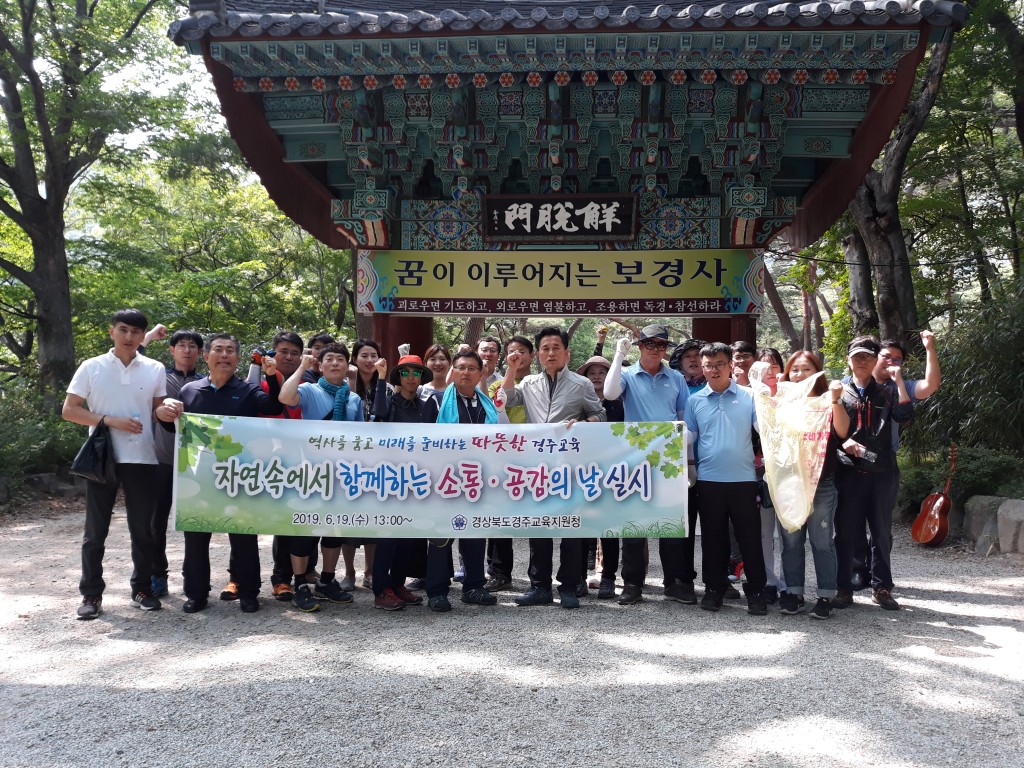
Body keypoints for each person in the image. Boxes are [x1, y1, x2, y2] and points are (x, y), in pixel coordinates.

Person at [62, 309, 173, 619]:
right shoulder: (92, 367)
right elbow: (70, 410)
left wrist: (168, 409)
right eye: (123, 330)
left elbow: (156, 411)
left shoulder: (154, 368)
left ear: (143, 335)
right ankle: (91, 595)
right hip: (102, 457)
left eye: (136, 332)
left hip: (143, 457)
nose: (129, 337)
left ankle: (141, 589)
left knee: (144, 530)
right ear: (112, 331)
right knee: (95, 532)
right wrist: (110, 421)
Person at [164, 333, 284, 613]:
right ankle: (196, 593)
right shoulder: (190, 391)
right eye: (218, 349)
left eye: (231, 350)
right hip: (198, 475)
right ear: (206, 356)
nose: (225, 354)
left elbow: (275, 406)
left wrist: (272, 375)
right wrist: (165, 413)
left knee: (243, 535)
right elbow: (176, 430)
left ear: (238, 359)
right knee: (196, 536)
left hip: (237, 474)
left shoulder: (248, 391)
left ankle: (250, 592)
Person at [502, 327, 606, 609]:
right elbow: (506, 399)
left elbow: (600, 412)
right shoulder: (528, 383)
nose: (550, 353)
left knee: (572, 528)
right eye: (545, 348)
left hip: (569, 467)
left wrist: (586, 424)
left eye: (556, 348)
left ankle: (570, 586)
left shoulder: (581, 384)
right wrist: (511, 370)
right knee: (540, 528)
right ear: (537, 354)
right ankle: (540, 587)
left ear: (566, 352)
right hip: (537, 467)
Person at [603, 324, 692, 606]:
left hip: (667, 458)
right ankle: (632, 583)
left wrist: (686, 454)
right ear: (640, 346)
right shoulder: (628, 374)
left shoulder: (676, 377)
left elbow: (684, 417)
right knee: (634, 524)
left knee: (670, 523)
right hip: (635, 456)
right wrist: (618, 356)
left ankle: (674, 583)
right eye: (650, 344)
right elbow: (609, 393)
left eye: (662, 345)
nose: (656, 350)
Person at [277, 342, 364, 611]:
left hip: (341, 473)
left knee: (334, 530)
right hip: (311, 471)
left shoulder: (354, 398)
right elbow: (284, 398)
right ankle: (300, 582)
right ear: (320, 364)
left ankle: (327, 579)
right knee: (305, 528)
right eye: (330, 359)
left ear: (347, 365)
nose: (335, 363)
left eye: (340, 359)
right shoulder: (308, 390)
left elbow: (361, 437)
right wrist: (302, 366)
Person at [683, 342, 767, 616]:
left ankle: (756, 592)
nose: (714, 369)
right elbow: (690, 438)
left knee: (750, 539)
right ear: (702, 368)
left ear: (731, 364)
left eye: (720, 363)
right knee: (712, 539)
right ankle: (714, 589)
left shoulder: (749, 396)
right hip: (709, 481)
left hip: (743, 480)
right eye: (708, 365)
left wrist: (765, 394)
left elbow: (762, 429)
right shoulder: (695, 400)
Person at [832, 336, 913, 611]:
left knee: (881, 533)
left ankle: (881, 587)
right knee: (845, 532)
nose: (862, 361)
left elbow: (904, 416)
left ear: (876, 359)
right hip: (849, 472)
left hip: (883, 471)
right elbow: (826, 433)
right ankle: (843, 587)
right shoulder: (837, 392)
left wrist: (899, 382)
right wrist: (844, 443)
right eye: (857, 356)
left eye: (868, 356)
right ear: (848, 360)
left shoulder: (887, 391)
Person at [774, 351, 850, 619]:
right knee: (791, 541)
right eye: (794, 370)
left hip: (822, 483)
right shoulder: (780, 403)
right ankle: (793, 593)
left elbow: (842, 432)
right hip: (789, 482)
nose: (800, 375)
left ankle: (826, 595)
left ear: (817, 372)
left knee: (821, 541)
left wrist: (836, 400)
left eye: (806, 369)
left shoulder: (827, 401)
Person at [425, 351, 499, 613]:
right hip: (443, 478)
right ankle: (436, 590)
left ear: (481, 374)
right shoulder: (434, 401)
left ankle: (474, 587)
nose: (466, 372)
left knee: (475, 533)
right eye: (460, 368)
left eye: (471, 368)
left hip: (476, 479)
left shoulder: (487, 405)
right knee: (440, 536)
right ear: (452, 372)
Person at [368, 354, 439, 610]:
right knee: (387, 537)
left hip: (417, 479)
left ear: (422, 377)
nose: (411, 377)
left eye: (416, 372)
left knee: (409, 537)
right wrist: (382, 377)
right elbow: (378, 414)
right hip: (390, 478)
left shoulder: (428, 405)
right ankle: (381, 590)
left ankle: (398, 585)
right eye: (406, 372)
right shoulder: (390, 402)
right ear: (399, 377)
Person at [146, 328, 204, 599]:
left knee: (195, 523)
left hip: (196, 464)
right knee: (155, 521)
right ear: (172, 349)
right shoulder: (159, 378)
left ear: (200, 352)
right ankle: (157, 573)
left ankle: (193, 578)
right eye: (181, 345)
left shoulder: (206, 382)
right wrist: (148, 337)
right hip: (163, 459)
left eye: (193, 346)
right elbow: (134, 361)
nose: (187, 350)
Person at [482, 336, 535, 592]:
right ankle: (499, 572)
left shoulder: (539, 384)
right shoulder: (499, 386)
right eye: (511, 351)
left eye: (522, 351)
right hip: (504, 455)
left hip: (536, 456)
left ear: (532, 356)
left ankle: (540, 578)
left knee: (538, 516)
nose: (517, 355)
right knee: (499, 514)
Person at [575, 354, 623, 599]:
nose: (596, 376)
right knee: (582, 526)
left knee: (609, 528)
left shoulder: (619, 402)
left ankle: (609, 578)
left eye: (601, 372)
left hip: (612, 471)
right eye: (591, 372)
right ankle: (580, 577)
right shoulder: (578, 400)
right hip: (581, 471)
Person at [346, 338, 385, 589]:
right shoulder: (344, 386)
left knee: (373, 518)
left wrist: (382, 380)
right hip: (348, 459)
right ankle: (349, 573)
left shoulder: (387, 386)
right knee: (348, 520)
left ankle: (370, 571)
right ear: (354, 359)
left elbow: (383, 414)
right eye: (364, 355)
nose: (369, 360)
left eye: (373, 355)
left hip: (377, 460)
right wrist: (350, 381)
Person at [753, 347, 787, 604]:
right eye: (763, 367)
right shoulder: (749, 398)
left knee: (789, 532)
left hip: (789, 474)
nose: (769, 372)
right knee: (764, 533)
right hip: (759, 473)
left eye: (773, 366)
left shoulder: (793, 397)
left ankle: (789, 582)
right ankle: (768, 582)